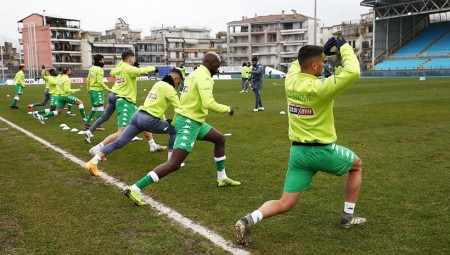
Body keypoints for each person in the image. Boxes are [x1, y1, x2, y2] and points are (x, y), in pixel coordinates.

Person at [235, 37, 365, 245]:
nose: (324, 63)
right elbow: (353, 71)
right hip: (321, 151)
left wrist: (318, 51)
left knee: (285, 202)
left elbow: (297, 64)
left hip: (298, 154)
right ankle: (347, 217)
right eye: (322, 60)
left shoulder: (291, 80)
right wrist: (344, 47)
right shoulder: (322, 87)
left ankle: (249, 219)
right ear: (314, 65)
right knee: (356, 166)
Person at [123, 52, 240, 206]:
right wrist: (228, 109)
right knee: (174, 163)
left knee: (220, 139)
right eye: (217, 66)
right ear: (211, 63)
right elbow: (208, 103)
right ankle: (135, 188)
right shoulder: (205, 78)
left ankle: (222, 178)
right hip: (189, 123)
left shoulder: (193, 74)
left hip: (192, 120)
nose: (217, 70)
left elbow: (186, 99)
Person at [84, 68, 183, 176]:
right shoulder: (170, 89)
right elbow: (179, 108)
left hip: (137, 117)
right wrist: (174, 122)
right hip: (149, 120)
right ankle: (171, 163)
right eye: (178, 82)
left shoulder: (158, 84)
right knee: (174, 130)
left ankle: (93, 162)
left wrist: (163, 119)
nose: (178, 85)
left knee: (119, 143)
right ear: (175, 78)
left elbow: (156, 104)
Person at [85, 51, 163, 172]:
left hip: (123, 99)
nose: (134, 60)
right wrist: (155, 68)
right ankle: (98, 148)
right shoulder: (128, 69)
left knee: (144, 120)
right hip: (125, 101)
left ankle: (152, 145)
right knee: (121, 132)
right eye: (133, 58)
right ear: (130, 59)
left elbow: (112, 72)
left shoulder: (120, 67)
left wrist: (125, 66)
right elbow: (140, 71)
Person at [83, 54, 110, 130]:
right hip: (97, 90)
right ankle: (98, 125)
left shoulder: (91, 68)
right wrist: (107, 89)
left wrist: (88, 89)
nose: (103, 61)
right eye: (103, 60)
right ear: (100, 60)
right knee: (100, 107)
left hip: (92, 90)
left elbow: (88, 79)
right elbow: (99, 81)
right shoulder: (100, 69)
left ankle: (87, 124)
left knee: (94, 108)